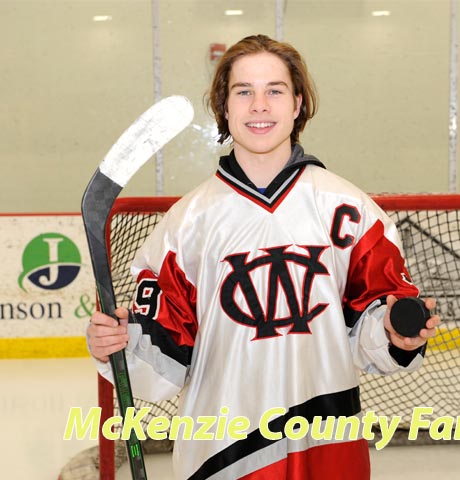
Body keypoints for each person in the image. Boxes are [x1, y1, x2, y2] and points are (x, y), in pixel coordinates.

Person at [87, 34, 440, 480]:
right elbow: (161, 359)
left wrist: (397, 333)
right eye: (243, 92)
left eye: (274, 90)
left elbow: (374, 323)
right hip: (223, 451)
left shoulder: (348, 210)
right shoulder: (186, 224)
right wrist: (119, 346)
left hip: (326, 444)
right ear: (224, 108)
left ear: (297, 104)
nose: (259, 105)